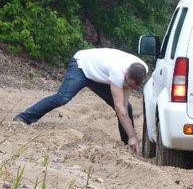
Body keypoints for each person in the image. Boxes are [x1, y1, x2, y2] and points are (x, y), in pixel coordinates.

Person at [14, 48, 148, 153]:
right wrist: (133, 135)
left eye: (132, 86)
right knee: (63, 97)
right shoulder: (117, 71)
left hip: (98, 75)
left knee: (128, 108)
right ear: (126, 74)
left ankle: (128, 146)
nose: (128, 87)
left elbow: (124, 106)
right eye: (127, 83)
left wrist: (131, 136)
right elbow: (120, 107)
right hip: (81, 66)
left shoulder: (143, 68)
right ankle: (23, 118)